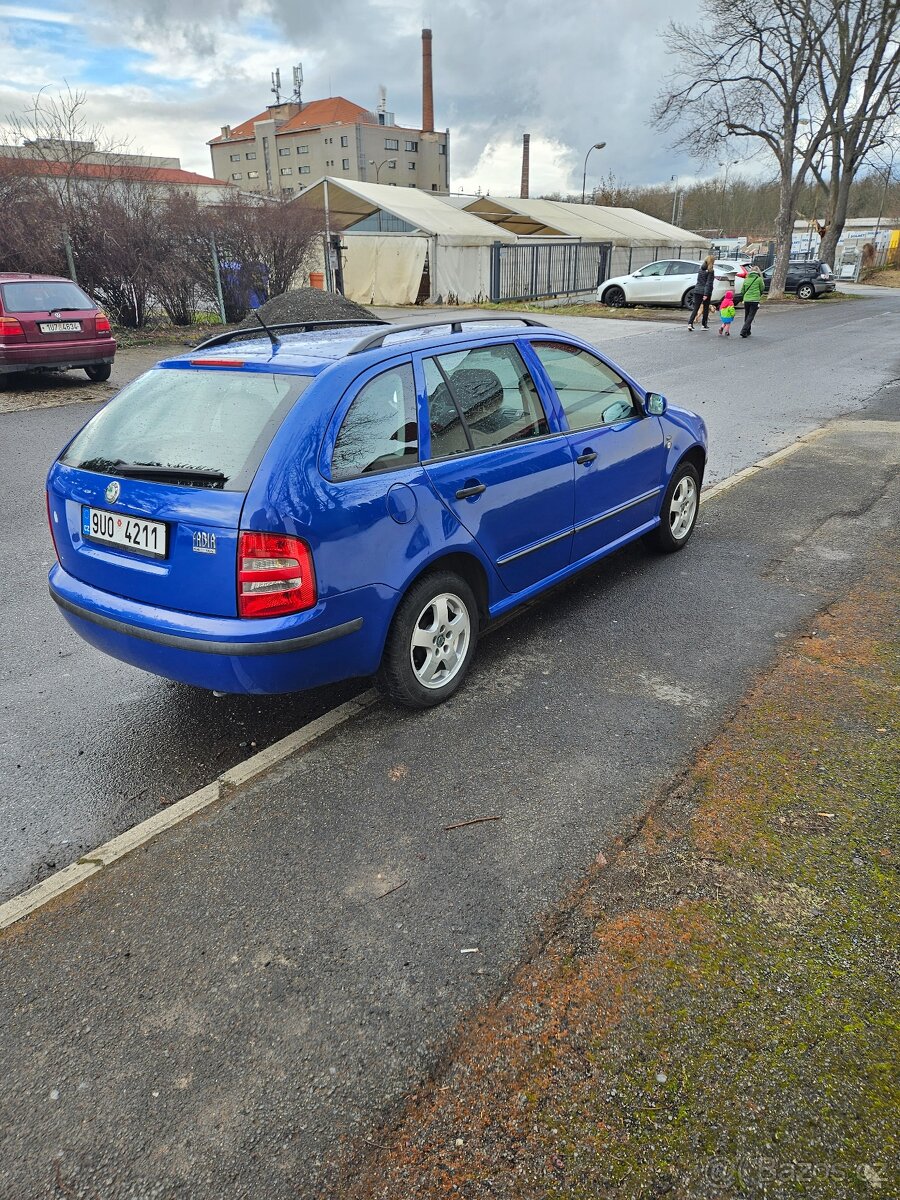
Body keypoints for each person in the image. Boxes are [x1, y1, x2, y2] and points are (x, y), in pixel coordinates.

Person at [688, 254, 715, 330]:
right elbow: (708, 283)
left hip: (697, 290)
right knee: (706, 308)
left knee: (696, 308)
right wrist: (706, 294)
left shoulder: (700, 269)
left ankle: (690, 323)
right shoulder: (711, 271)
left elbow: (699, 281)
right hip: (706, 292)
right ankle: (704, 325)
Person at [739, 264, 765, 337]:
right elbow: (762, 288)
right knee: (751, 316)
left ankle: (748, 331)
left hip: (746, 299)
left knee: (747, 315)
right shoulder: (759, 279)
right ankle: (744, 331)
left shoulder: (746, 279)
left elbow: (742, 290)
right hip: (755, 300)